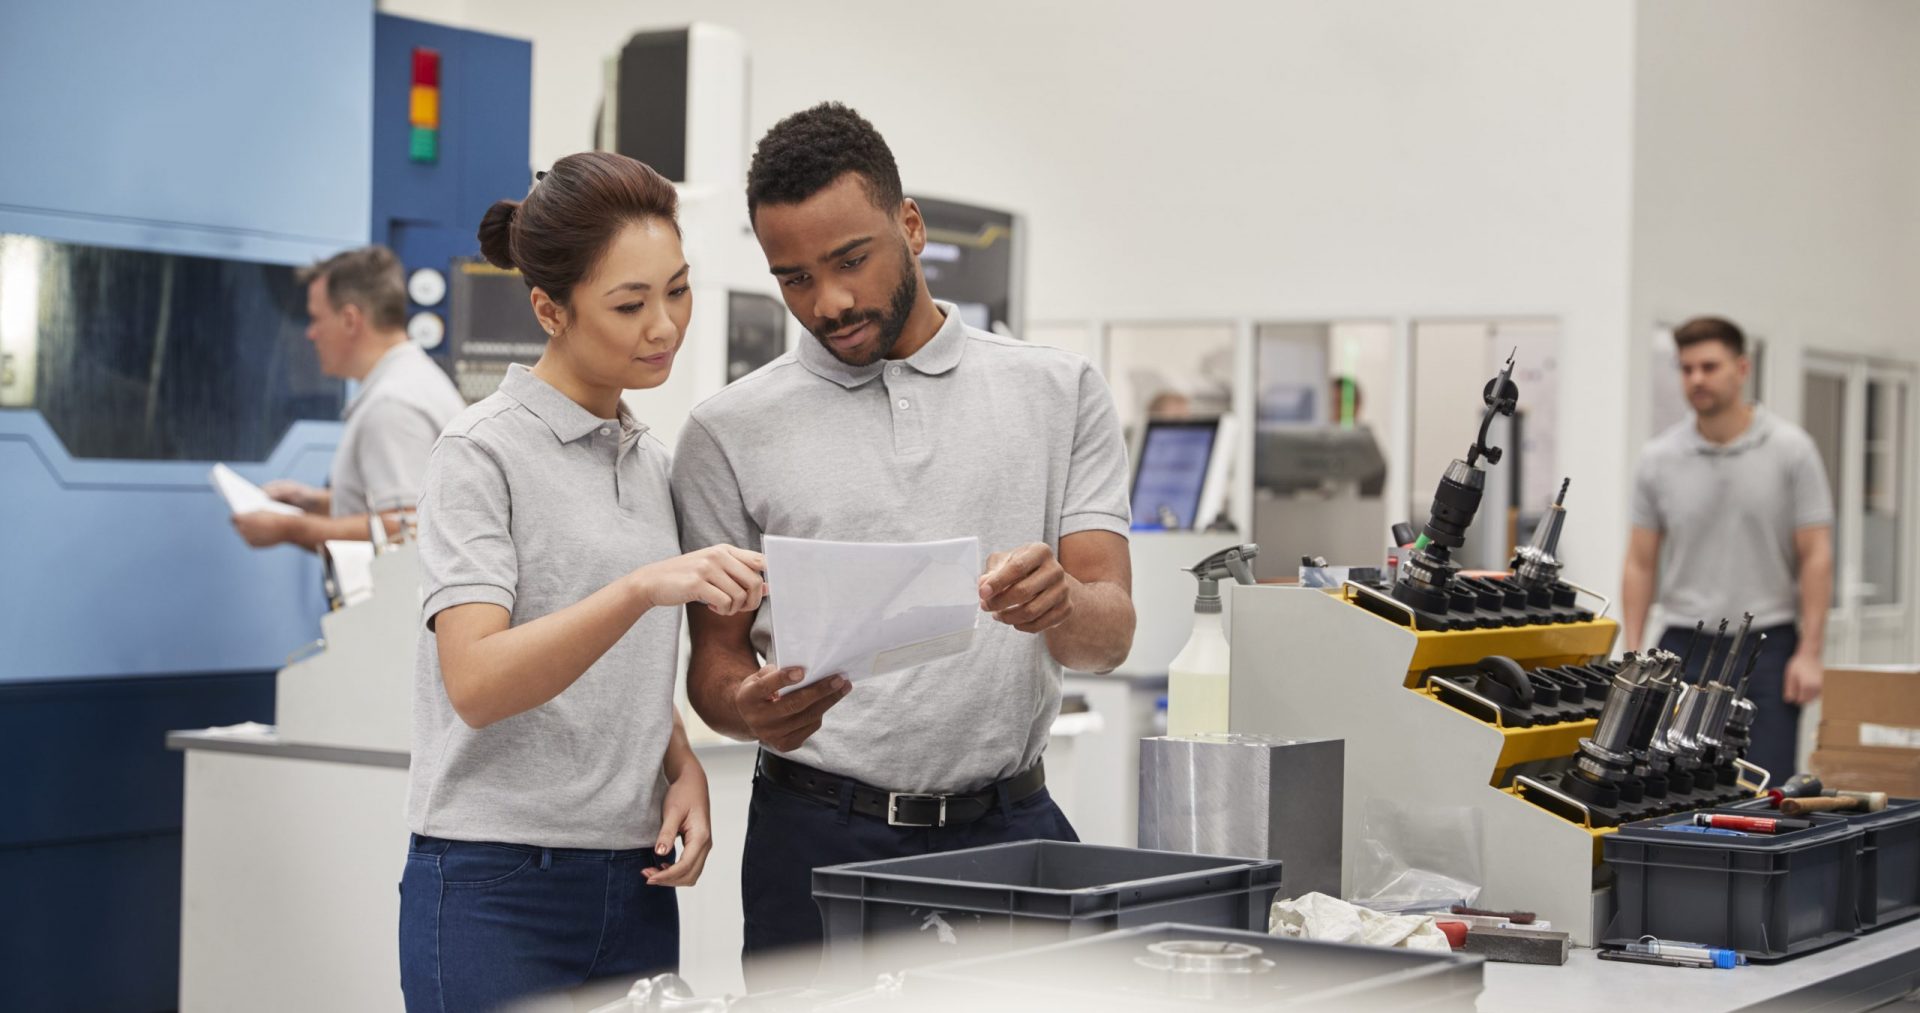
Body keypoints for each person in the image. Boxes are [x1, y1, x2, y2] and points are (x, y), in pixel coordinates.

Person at [671, 102, 1138, 989]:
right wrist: (747, 707)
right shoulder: (726, 433)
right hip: (815, 838)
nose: (831, 302)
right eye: (794, 278)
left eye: (852, 260)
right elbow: (714, 671)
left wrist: (1062, 605)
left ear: (911, 226)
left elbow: (1108, 636)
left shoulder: (1058, 392)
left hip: (1011, 827)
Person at [398, 152, 763, 1012]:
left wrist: (682, 765)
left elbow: (616, 666)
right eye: (630, 304)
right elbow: (478, 682)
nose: (665, 325)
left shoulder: (651, 462)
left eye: (677, 290)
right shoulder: (480, 453)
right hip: (495, 882)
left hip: (633, 880)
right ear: (548, 309)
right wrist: (641, 587)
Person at [1622, 316, 1834, 780]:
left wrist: (1811, 652)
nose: (1697, 378)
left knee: (1764, 783)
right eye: (1687, 368)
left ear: (1741, 368)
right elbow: (1640, 563)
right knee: (1666, 783)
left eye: (1709, 366)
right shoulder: (1659, 459)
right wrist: (1635, 651)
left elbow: (1816, 555)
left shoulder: (1791, 451)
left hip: (1768, 645)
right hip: (1682, 643)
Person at [232, 245, 465, 551]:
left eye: (316, 319)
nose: (310, 334)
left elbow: (409, 529)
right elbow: (390, 506)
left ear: (350, 320)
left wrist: (295, 528)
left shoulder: (392, 405)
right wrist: (315, 502)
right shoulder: (410, 381)